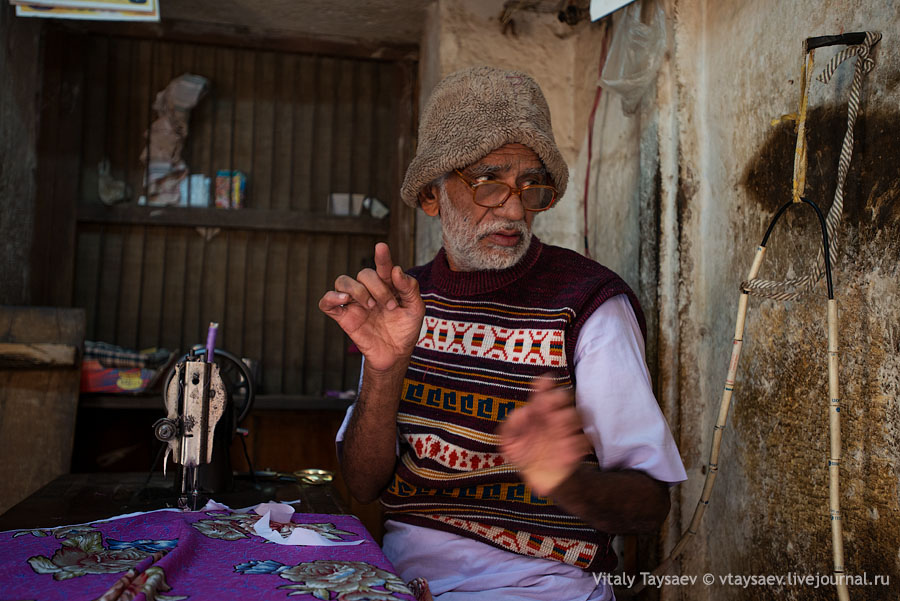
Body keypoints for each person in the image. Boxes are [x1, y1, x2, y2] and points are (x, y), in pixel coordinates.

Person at [319, 65, 686, 601]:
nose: (514, 209)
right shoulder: (403, 305)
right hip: (402, 584)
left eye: (530, 185)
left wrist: (562, 478)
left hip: (539, 587)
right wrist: (385, 368)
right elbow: (363, 484)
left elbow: (651, 506)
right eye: (489, 182)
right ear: (430, 195)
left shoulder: (587, 303)